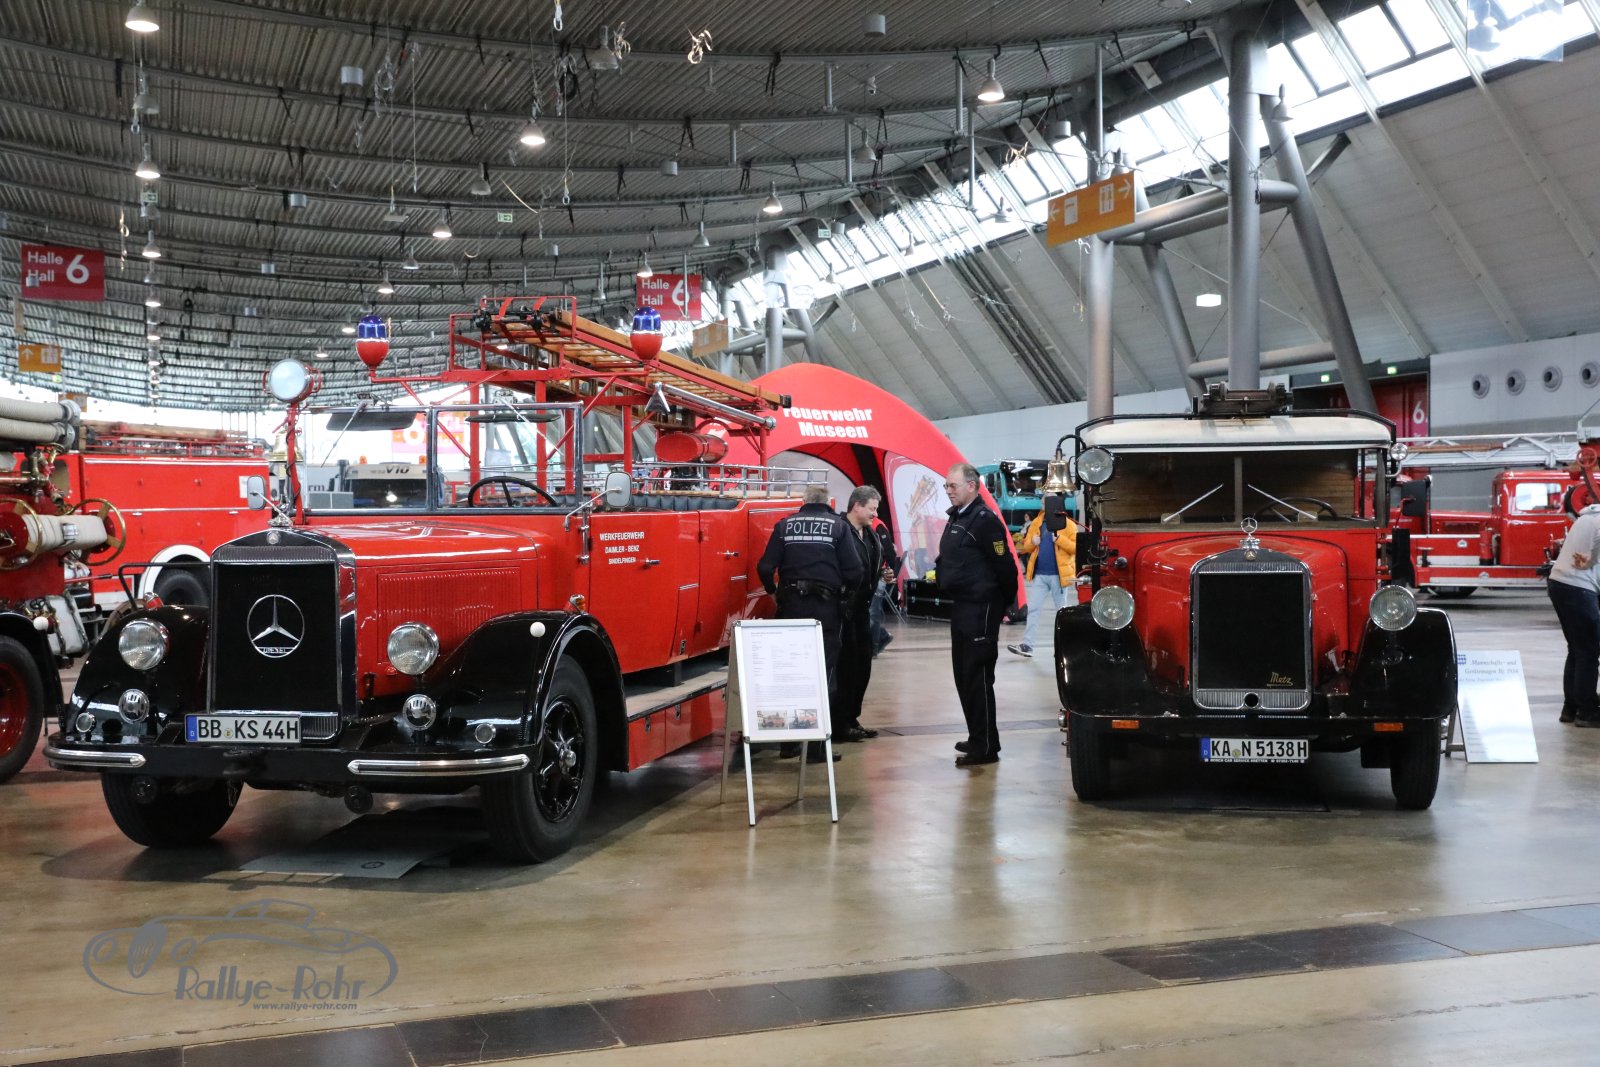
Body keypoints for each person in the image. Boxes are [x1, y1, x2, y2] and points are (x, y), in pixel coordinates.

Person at [754, 483, 863, 761]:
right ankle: (815, 748)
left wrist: (773, 591)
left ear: (803, 501)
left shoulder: (785, 526)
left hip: (790, 608)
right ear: (827, 502)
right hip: (825, 611)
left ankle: (787, 743)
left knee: (789, 674)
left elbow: (765, 567)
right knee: (822, 675)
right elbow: (855, 570)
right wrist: (845, 595)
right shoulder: (838, 528)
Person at [935, 463, 1018, 767]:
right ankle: (977, 736)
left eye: (953, 485)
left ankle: (986, 747)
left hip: (981, 607)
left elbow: (1005, 566)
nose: (948, 491)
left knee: (978, 676)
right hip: (962, 606)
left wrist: (1005, 604)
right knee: (964, 676)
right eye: (946, 486)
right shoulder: (959, 516)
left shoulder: (985, 521)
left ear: (972, 486)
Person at [836, 486, 885, 741]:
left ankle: (852, 718)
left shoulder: (870, 534)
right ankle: (840, 722)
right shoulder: (839, 530)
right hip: (844, 610)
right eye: (872, 509)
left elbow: (870, 564)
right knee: (847, 666)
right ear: (857, 506)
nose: (875, 514)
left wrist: (882, 574)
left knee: (863, 664)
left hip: (863, 608)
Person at [1547, 497, 1600, 725]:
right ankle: (1587, 712)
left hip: (1560, 583)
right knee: (1588, 652)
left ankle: (1571, 708)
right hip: (1579, 587)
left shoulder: (1587, 517)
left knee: (1577, 649)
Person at [1007, 504, 1078, 659]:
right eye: (1045, 500)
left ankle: (1064, 648)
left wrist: (1060, 540)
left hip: (1059, 576)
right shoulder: (1037, 522)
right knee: (1033, 609)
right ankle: (1027, 645)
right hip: (1040, 575)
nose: (1044, 503)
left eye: (1048, 500)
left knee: (1062, 613)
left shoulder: (1069, 524)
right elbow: (1026, 546)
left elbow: (1075, 548)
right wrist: (1032, 542)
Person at [870, 517, 901, 656]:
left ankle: (875, 645)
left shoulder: (878, 526)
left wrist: (890, 573)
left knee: (873, 611)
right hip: (870, 575)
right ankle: (881, 637)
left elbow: (889, 552)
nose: (874, 512)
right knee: (872, 611)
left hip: (879, 575)